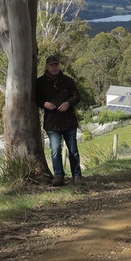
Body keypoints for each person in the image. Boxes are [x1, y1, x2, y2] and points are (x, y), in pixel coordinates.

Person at [35, 54, 82, 185]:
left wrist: (68, 103)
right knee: (56, 150)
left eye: (56, 65)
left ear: (59, 65)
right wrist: (44, 104)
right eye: (51, 65)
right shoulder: (40, 83)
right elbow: (36, 99)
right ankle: (58, 176)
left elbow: (77, 96)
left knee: (73, 150)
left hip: (69, 121)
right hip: (52, 123)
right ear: (46, 66)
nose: (54, 67)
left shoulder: (68, 80)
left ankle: (77, 176)